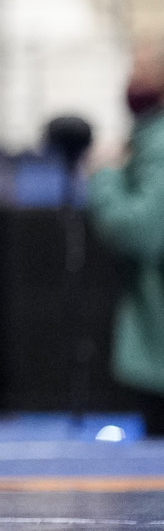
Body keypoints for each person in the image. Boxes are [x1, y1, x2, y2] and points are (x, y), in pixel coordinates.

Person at [88, 41, 164, 437]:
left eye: (143, 71)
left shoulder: (160, 144)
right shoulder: (145, 139)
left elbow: (140, 232)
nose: (132, 81)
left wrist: (105, 174)